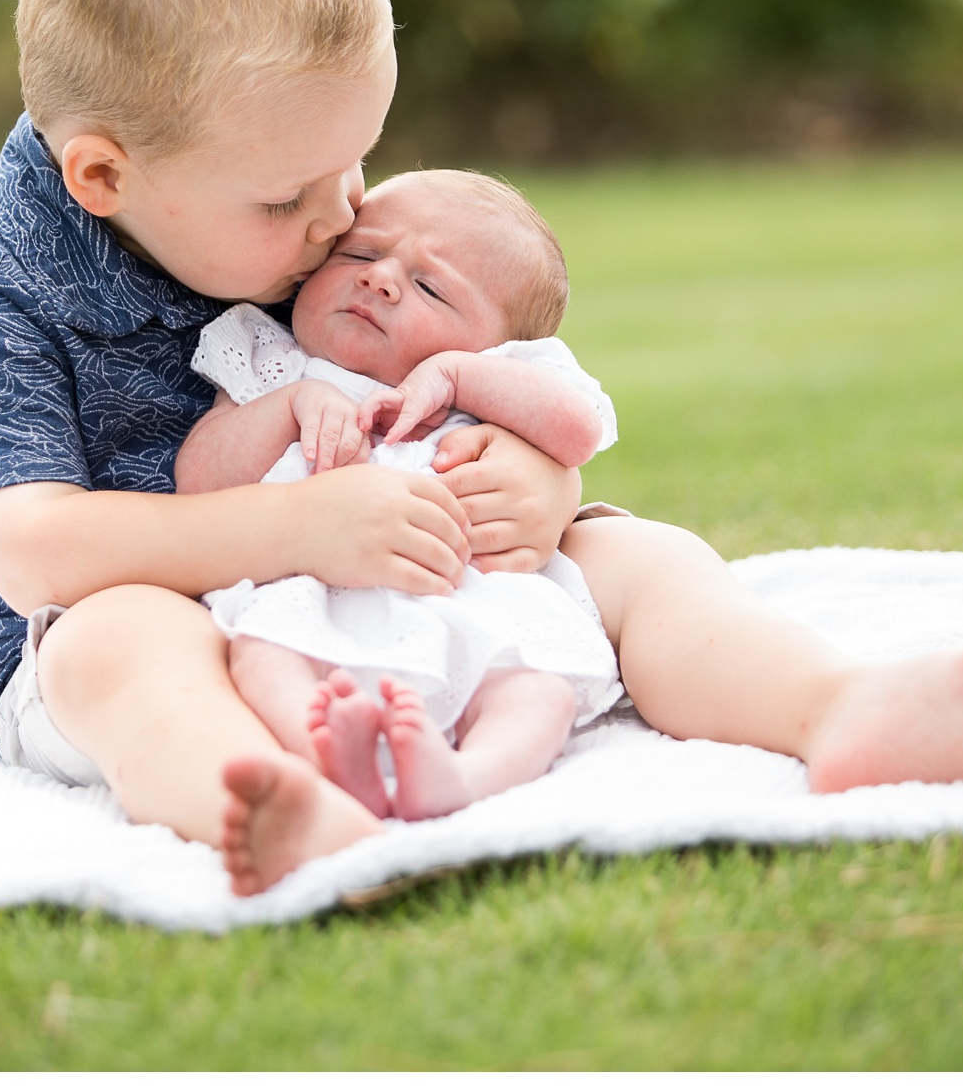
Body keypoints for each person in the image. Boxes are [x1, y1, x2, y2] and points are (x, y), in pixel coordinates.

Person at [0, 0, 963, 899]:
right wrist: (304, 528)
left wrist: (537, 485)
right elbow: (36, 551)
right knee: (121, 638)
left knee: (639, 554)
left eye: (357, 164)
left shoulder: (283, 211)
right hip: (156, 632)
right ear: (104, 178)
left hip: (412, 580)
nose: (340, 223)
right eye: (291, 197)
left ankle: (840, 706)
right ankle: (267, 793)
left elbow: (465, 366)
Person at [177, 169, 626, 826]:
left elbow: (579, 430)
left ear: (497, 342)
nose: (381, 277)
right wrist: (289, 405)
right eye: (359, 253)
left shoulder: (492, 375)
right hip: (308, 591)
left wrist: (458, 375)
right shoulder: (274, 357)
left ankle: (465, 777)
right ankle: (323, 758)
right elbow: (199, 478)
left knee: (536, 687)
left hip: (467, 594)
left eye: (429, 286)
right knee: (260, 655)